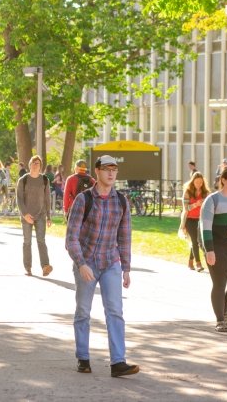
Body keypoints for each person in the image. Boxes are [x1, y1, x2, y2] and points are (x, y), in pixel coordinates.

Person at [65, 155, 138, 378]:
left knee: (115, 311)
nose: (111, 173)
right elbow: (71, 238)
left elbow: (124, 236)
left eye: (114, 169)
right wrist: (81, 263)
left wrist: (126, 268)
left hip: (110, 263)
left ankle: (118, 363)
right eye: (106, 169)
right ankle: (83, 358)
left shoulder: (121, 201)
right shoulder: (83, 200)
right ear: (97, 171)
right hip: (87, 263)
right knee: (83, 312)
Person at [201, 167, 227, 333]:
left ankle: (223, 310)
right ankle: (220, 319)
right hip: (217, 246)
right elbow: (205, 227)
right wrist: (209, 250)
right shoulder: (213, 200)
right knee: (219, 283)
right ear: (223, 180)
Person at [16, 155, 54, 277]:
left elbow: (47, 199)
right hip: (26, 215)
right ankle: (28, 267)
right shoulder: (23, 180)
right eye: (33, 162)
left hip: (41, 215)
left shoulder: (44, 180)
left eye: (38, 163)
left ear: (40, 165)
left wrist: (48, 216)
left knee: (41, 241)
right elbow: (19, 199)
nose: (35, 164)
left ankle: (45, 266)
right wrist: (25, 214)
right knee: (27, 241)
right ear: (29, 164)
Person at [179, 171, 209, 272]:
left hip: (200, 219)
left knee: (198, 241)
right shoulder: (187, 192)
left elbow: (210, 206)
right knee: (195, 241)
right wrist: (196, 204)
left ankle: (190, 261)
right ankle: (198, 263)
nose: (199, 185)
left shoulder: (206, 193)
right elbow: (185, 208)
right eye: (197, 182)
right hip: (189, 220)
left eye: (201, 182)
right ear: (193, 182)